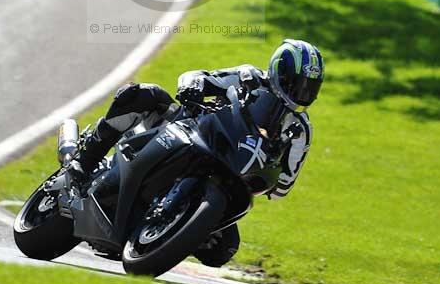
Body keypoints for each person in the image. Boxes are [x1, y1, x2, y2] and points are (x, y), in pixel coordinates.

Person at [77, 39, 324, 266]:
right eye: (296, 84)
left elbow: (283, 186)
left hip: (228, 173)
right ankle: (85, 159)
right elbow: (201, 77)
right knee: (142, 95)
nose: (301, 93)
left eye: (309, 88)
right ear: (279, 72)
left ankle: (170, 230)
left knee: (223, 249)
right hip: (192, 131)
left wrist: (267, 172)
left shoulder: (300, 129)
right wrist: (193, 86)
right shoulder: (250, 78)